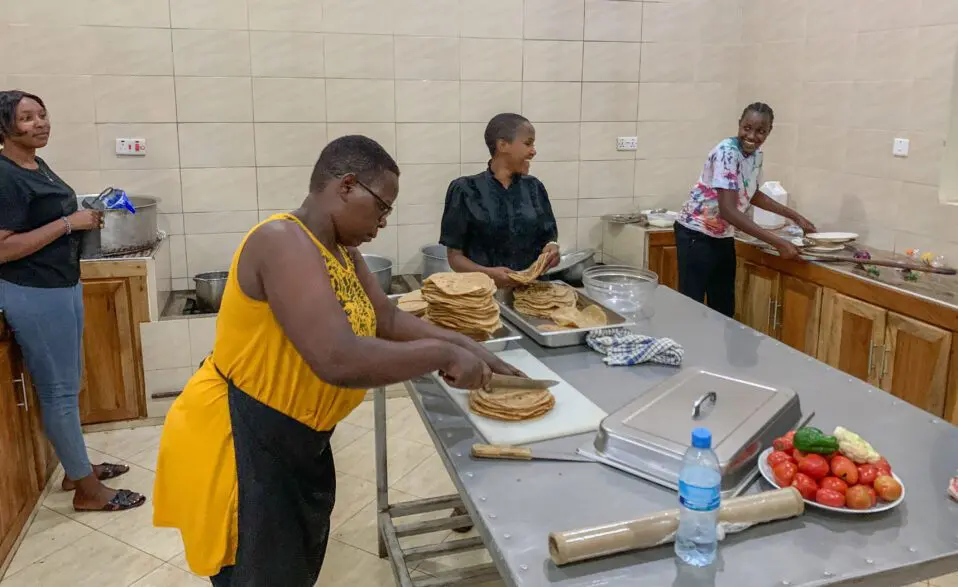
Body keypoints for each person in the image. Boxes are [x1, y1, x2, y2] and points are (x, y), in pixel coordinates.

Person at [152, 135, 525, 587]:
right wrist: (441, 354)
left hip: (298, 436)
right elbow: (337, 358)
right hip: (246, 437)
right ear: (346, 186)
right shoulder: (282, 241)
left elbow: (385, 317)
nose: (382, 223)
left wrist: (467, 344)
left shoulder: (342, 251)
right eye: (381, 208)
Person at [0, 90, 145, 512]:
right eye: (27, 118)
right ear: (4, 127)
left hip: (60, 285)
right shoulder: (5, 175)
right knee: (59, 391)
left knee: (69, 384)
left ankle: (76, 469)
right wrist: (69, 223)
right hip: (34, 291)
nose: (40, 123)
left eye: (42, 114)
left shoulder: (35, 164)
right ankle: (87, 491)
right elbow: (4, 248)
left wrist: (81, 218)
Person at [673, 102, 817, 318]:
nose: (751, 136)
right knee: (692, 308)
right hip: (696, 234)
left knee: (723, 309)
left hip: (722, 235)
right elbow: (728, 210)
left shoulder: (756, 155)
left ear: (768, 132)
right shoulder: (726, 153)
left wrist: (796, 217)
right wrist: (778, 242)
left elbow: (751, 193)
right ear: (739, 124)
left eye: (760, 131)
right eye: (747, 128)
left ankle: (717, 342)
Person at [440, 113, 561, 289]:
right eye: (528, 143)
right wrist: (487, 274)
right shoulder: (465, 190)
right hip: (484, 295)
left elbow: (549, 238)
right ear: (502, 145)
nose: (533, 151)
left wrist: (552, 249)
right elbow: (454, 257)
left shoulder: (535, 188)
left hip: (533, 293)